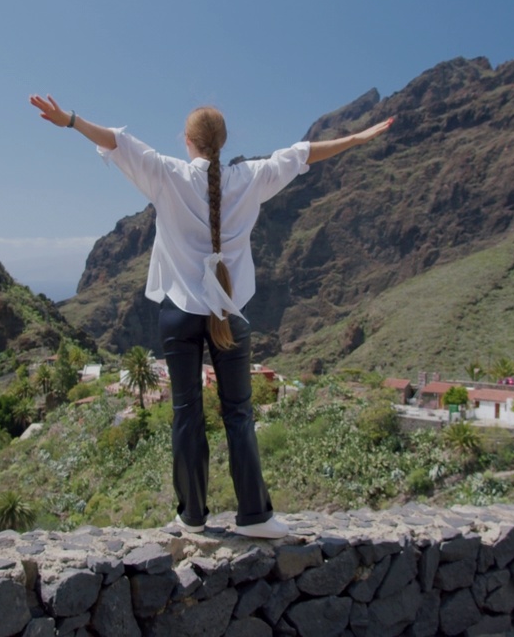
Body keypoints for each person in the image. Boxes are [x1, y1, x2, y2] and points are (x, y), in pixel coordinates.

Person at [30, 94, 392, 538]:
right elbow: (303, 154)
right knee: (239, 414)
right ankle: (256, 515)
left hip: (180, 315)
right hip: (229, 315)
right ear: (222, 141)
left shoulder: (169, 175)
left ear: (188, 141)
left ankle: (192, 516)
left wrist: (69, 120)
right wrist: (357, 137)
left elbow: (120, 143)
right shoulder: (251, 177)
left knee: (187, 413)